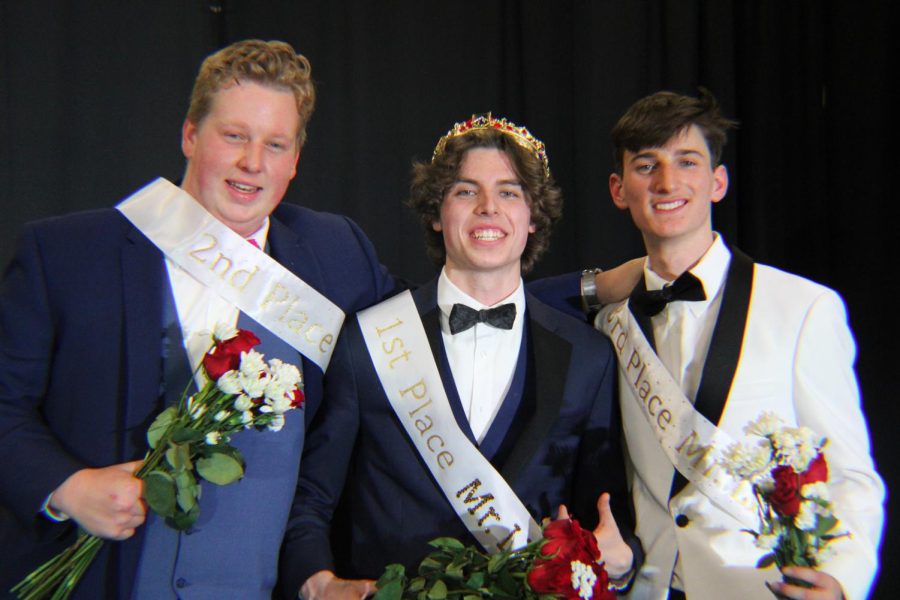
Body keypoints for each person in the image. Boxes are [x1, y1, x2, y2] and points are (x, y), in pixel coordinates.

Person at [0, 40, 394, 598]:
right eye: (234, 136)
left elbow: (421, 342)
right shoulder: (64, 253)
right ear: (190, 135)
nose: (252, 163)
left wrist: (562, 305)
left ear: (295, 160)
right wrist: (65, 487)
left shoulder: (336, 253)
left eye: (275, 144)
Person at [282, 114, 641, 599]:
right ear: (436, 212)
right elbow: (310, 498)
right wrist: (316, 583)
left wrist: (619, 567)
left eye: (510, 192)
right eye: (466, 191)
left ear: (533, 217)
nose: (488, 208)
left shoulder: (588, 356)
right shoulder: (368, 339)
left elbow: (607, 521)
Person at [562, 90, 884, 599]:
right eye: (647, 165)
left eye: (687, 162)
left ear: (717, 182)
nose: (667, 182)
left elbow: (849, 471)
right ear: (618, 189)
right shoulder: (608, 326)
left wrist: (843, 579)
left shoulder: (802, 308)